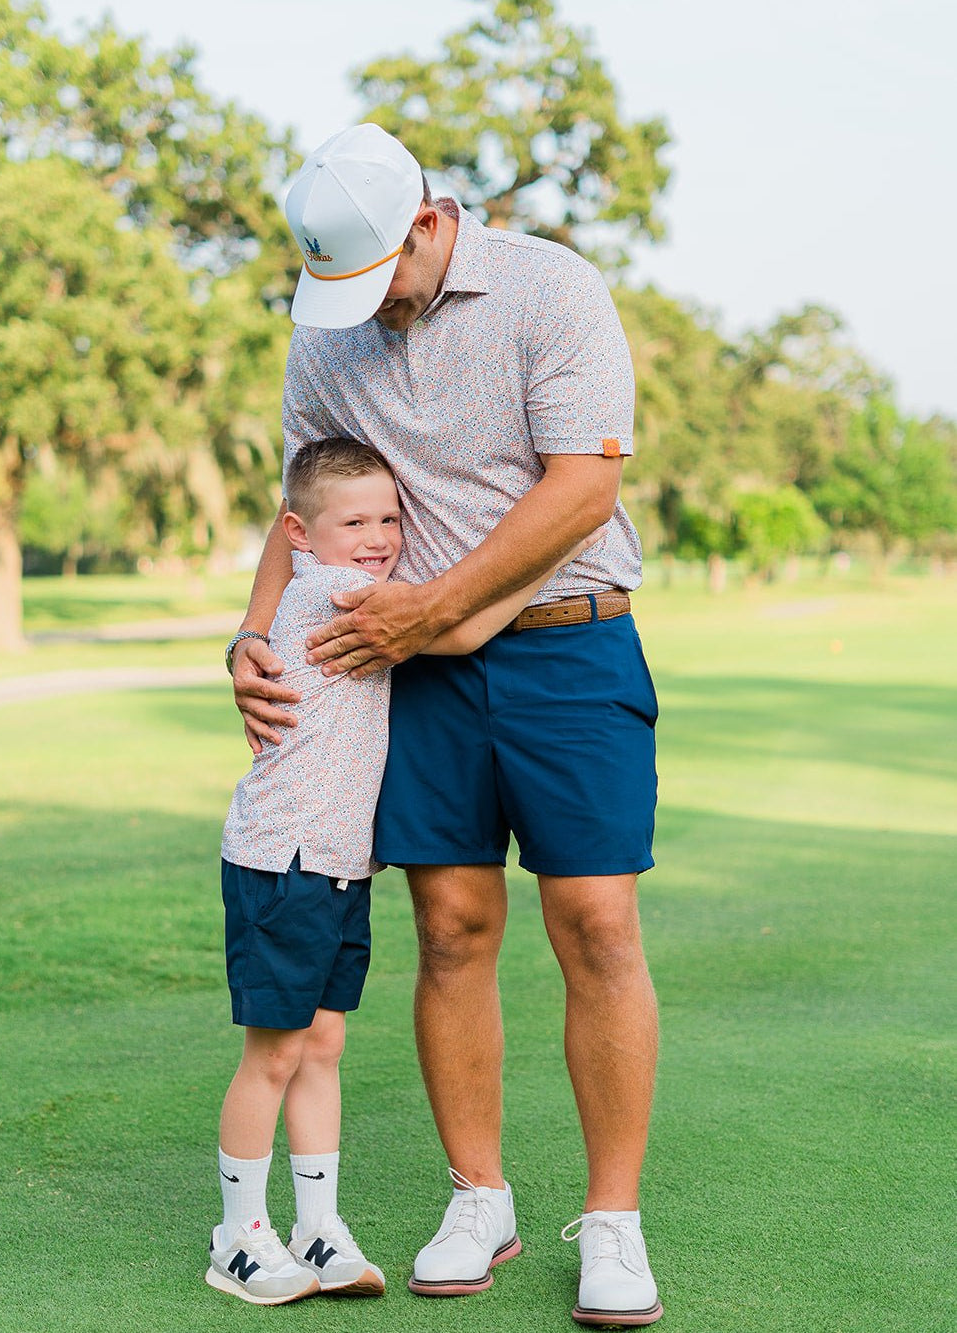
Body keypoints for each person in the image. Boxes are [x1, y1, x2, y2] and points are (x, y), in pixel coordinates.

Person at [227, 123, 663, 1328]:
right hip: (408, 664)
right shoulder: (327, 332)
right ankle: (482, 1197)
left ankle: (612, 1223)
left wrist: (441, 605)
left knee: (595, 921)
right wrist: (249, 637)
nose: (360, 308)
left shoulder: (549, 287)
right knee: (452, 922)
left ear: (429, 222)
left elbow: (583, 487)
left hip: (568, 644)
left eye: (378, 276)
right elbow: (297, 509)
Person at [211, 436, 582, 1307]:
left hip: (338, 864)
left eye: (388, 517)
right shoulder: (329, 590)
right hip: (285, 856)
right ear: (299, 532)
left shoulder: (349, 575)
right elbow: (449, 629)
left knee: (324, 1042)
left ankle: (315, 1225)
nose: (377, 535)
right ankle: (238, 1235)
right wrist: (554, 556)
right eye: (353, 521)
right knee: (274, 1053)